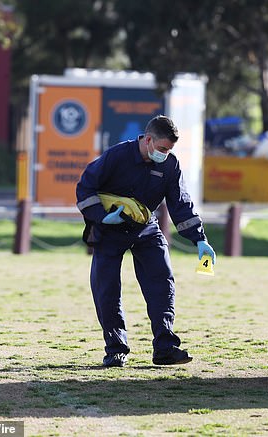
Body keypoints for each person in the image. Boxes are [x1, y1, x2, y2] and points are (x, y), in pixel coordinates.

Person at [76, 115, 216, 367]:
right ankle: (116, 349)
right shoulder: (116, 157)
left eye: (170, 149)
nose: (166, 154)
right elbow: (85, 189)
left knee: (162, 283)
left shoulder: (170, 165)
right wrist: (102, 217)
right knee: (107, 290)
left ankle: (165, 348)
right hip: (110, 229)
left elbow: (181, 206)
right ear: (148, 140)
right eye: (163, 148)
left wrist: (200, 240)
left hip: (145, 228)